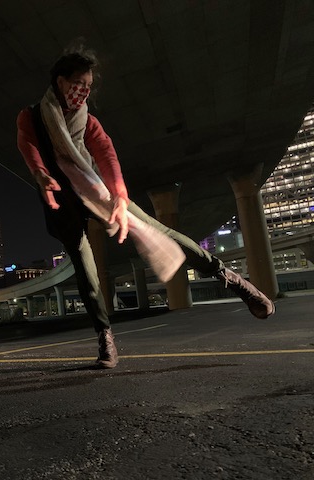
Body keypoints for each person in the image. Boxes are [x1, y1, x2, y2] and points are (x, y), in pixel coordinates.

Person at [16, 46, 275, 369]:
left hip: (98, 192)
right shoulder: (33, 116)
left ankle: (231, 278)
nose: (83, 92)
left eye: (88, 86)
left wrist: (120, 193)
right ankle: (104, 337)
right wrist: (41, 175)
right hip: (61, 199)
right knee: (85, 267)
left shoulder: (89, 123)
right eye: (78, 84)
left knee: (159, 229)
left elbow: (106, 154)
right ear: (60, 81)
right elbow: (27, 145)